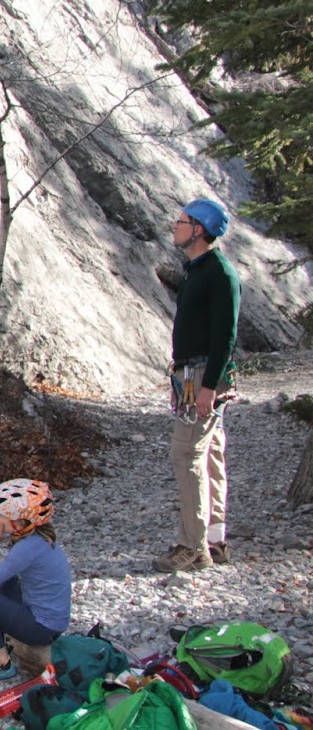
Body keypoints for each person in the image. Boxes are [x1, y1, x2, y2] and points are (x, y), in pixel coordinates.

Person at [154, 197, 241, 573]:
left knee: (185, 455)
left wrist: (208, 387)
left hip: (202, 377)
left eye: (182, 221)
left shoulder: (219, 273)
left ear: (199, 230)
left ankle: (193, 547)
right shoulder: (197, 269)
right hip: (193, 374)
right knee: (209, 454)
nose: (175, 226)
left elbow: (226, 335)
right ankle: (214, 540)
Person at [0, 479, 72, 684]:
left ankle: (1, 663)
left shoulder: (27, 548)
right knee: (6, 581)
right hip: (51, 621)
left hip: (42, 629)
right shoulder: (40, 538)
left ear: (19, 522)